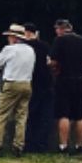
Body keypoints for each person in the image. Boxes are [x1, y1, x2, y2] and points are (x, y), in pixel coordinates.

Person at [47, 18, 82, 153]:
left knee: (63, 114)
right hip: (79, 80)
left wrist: (50, 64)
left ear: (61, 29)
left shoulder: (59, 40)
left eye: (56, 29)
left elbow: (53, 61)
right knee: (79, 115)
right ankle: (79, 145)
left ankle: (63, 145)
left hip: (64, 79)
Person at [0, 24, 35, 154]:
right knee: (21, 116)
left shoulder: (9, 49)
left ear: (14, 38)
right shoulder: (30, 50)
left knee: (1, 115)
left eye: (9, 36)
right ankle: (18, 145)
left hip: (11, 83)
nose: (8, 38)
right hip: (26, 83)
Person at [21, 23, 54, 153]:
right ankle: (42, 144)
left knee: (30, 115)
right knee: (45, 116)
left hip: (31, 83)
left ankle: (28, 144)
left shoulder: (24, 47)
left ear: (26, 33)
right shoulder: (45, 46)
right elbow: (49, 62)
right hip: (46, 83)